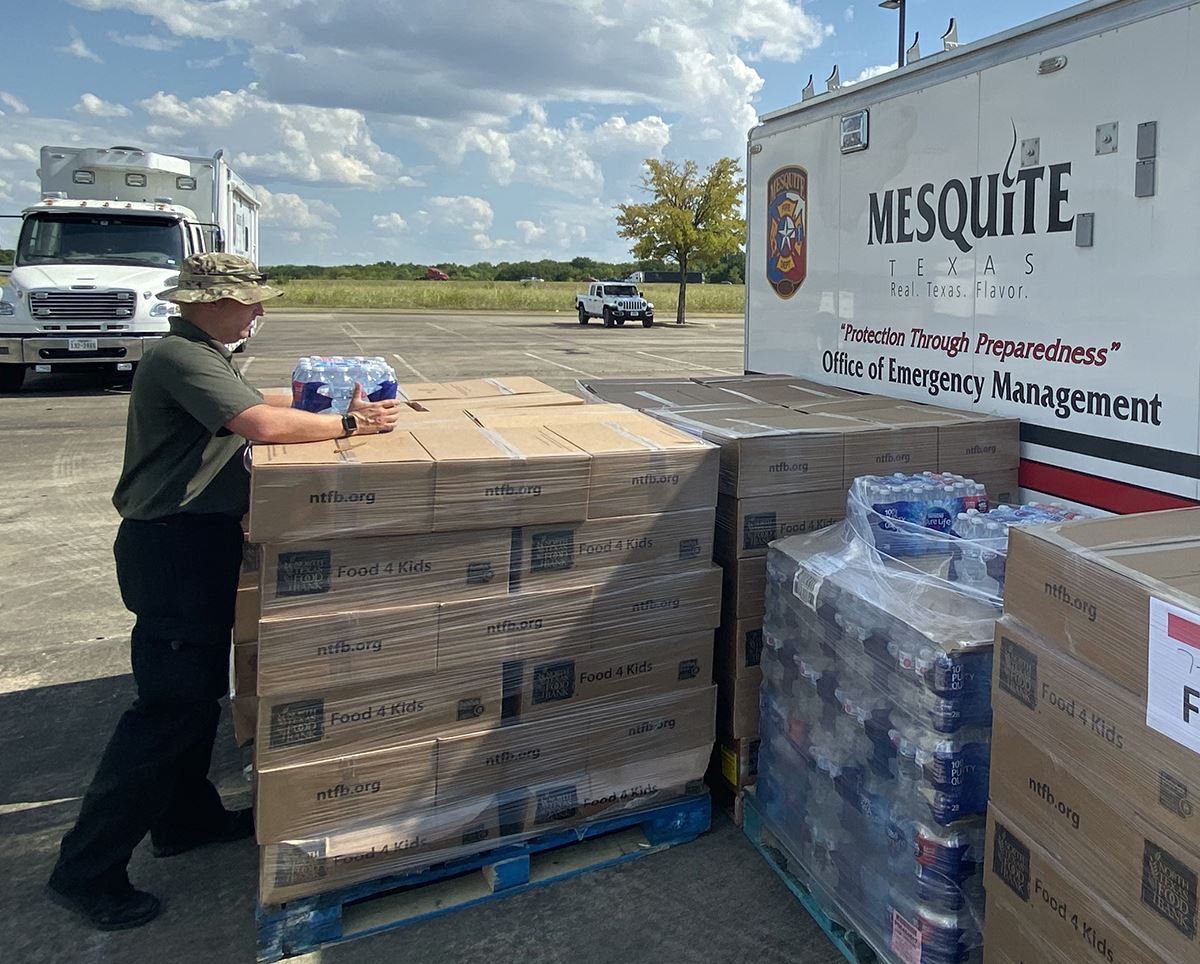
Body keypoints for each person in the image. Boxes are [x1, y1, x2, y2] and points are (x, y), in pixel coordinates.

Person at [45, 253, 401, 930]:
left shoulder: (202, 353)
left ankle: (185, 819)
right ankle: (85, 868)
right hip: (172, 547)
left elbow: (261, 400)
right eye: (250, 301)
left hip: (194, 544)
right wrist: (353, 426)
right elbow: (263, 426)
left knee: (194, 693)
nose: (259, 312)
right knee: (169, 709)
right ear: (210, 301)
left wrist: (337, 399)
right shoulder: (178, 357)